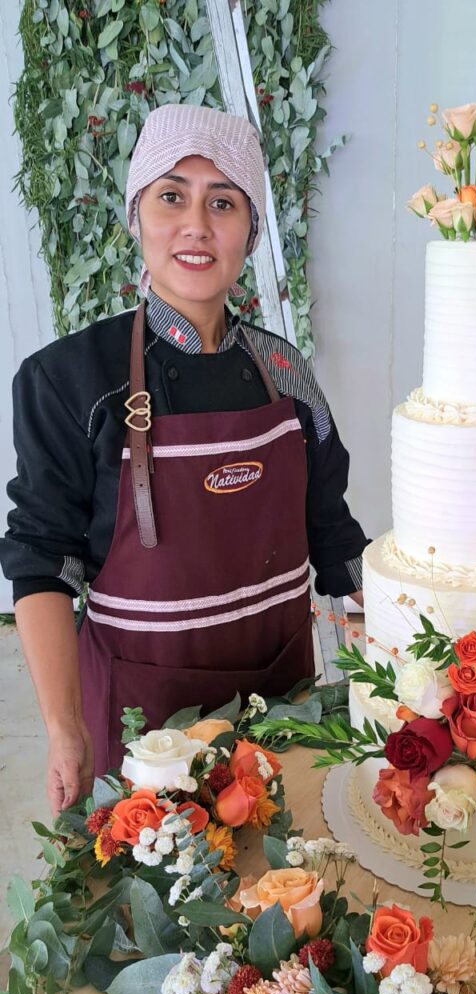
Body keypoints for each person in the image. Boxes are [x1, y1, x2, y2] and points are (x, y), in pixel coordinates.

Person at [0, 104, 367, 816]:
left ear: (249, 232)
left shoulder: (287, 373)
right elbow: (42, 561)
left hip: (280, 699)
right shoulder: (66, 380)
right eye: (172, 196)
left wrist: (410, 661)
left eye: (222, 203)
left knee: (277, 899)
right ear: (136, 215)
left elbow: (333, 537)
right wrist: (65, 730)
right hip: (142, 723)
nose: (196, 225)